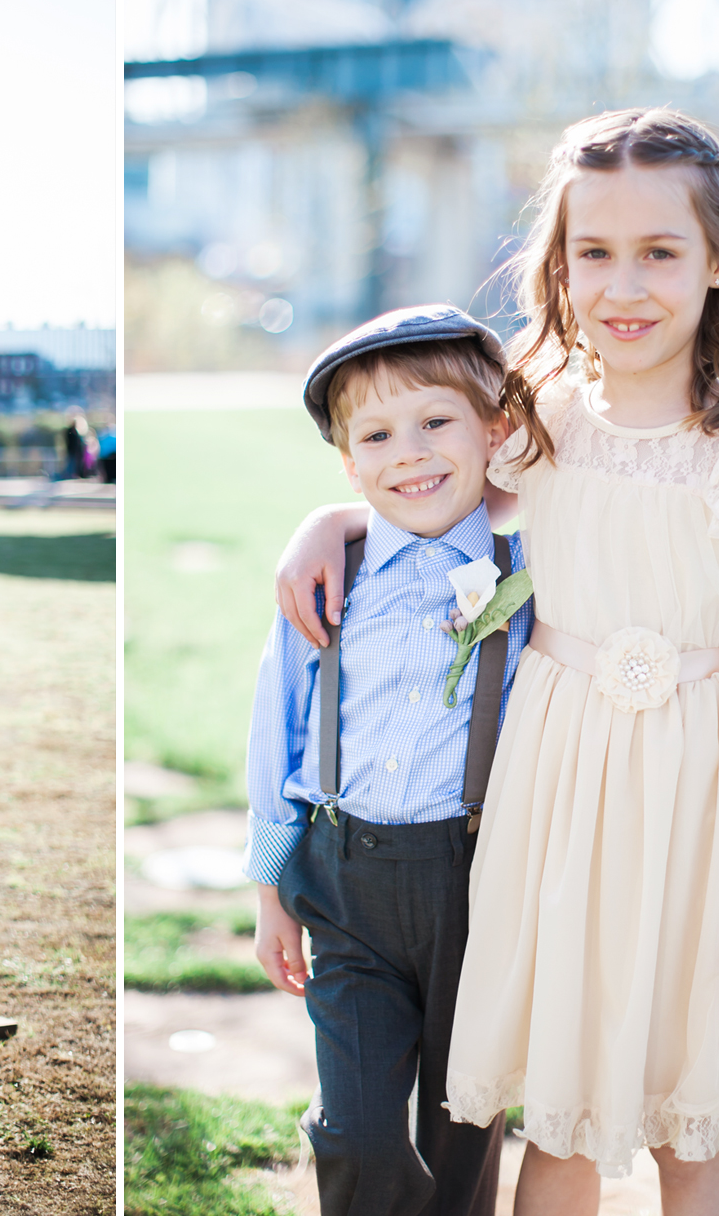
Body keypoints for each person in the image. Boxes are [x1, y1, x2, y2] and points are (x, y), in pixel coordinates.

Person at [276, 109, 719, 1215]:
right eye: (594, 253)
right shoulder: (534, 419)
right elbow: (425, 503)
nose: (622, 285)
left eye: (658, 252)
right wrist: (326, 523)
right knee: (560, 1112)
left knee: (693, 1117)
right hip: (553, 793)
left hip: (696, 805)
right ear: (559, 264)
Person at [246, 306, 531, 1216]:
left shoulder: (532, 564)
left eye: (436, 422)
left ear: (495, 431)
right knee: (358, 1131)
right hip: (347, 883)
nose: (409, 453)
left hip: (479, 881)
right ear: (349, 462)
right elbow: (275, 736)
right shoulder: (326, 579)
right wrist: (270, 896)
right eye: (377, 435)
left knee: (465, 1122)